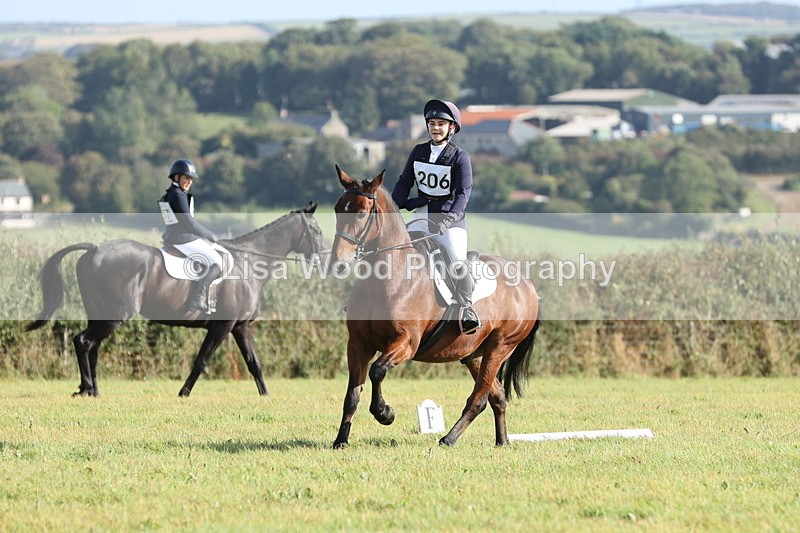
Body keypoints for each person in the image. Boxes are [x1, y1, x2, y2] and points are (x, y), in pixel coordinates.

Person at [391, 99, 481, 334]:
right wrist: (395, 205)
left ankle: (466, 307)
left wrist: (450, 219)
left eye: (441, 123)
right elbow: (404, 183)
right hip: (421, 217)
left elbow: (463, 193)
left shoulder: (459, 157)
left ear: (451, 128)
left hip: (450, 222)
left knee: (456, 261)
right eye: (432, 123)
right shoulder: (419, 151)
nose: (435, 128)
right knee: (395, 254)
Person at [159, 158, 223, 314]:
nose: (189, 181)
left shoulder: (170, 194)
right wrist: (209, 235)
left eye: (191, 179)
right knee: (217, 262)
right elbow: (188, 221)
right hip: (182, 238)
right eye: (186, 177)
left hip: (173, 235)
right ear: (176, 177)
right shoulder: (178, 195)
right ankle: (197, 298)